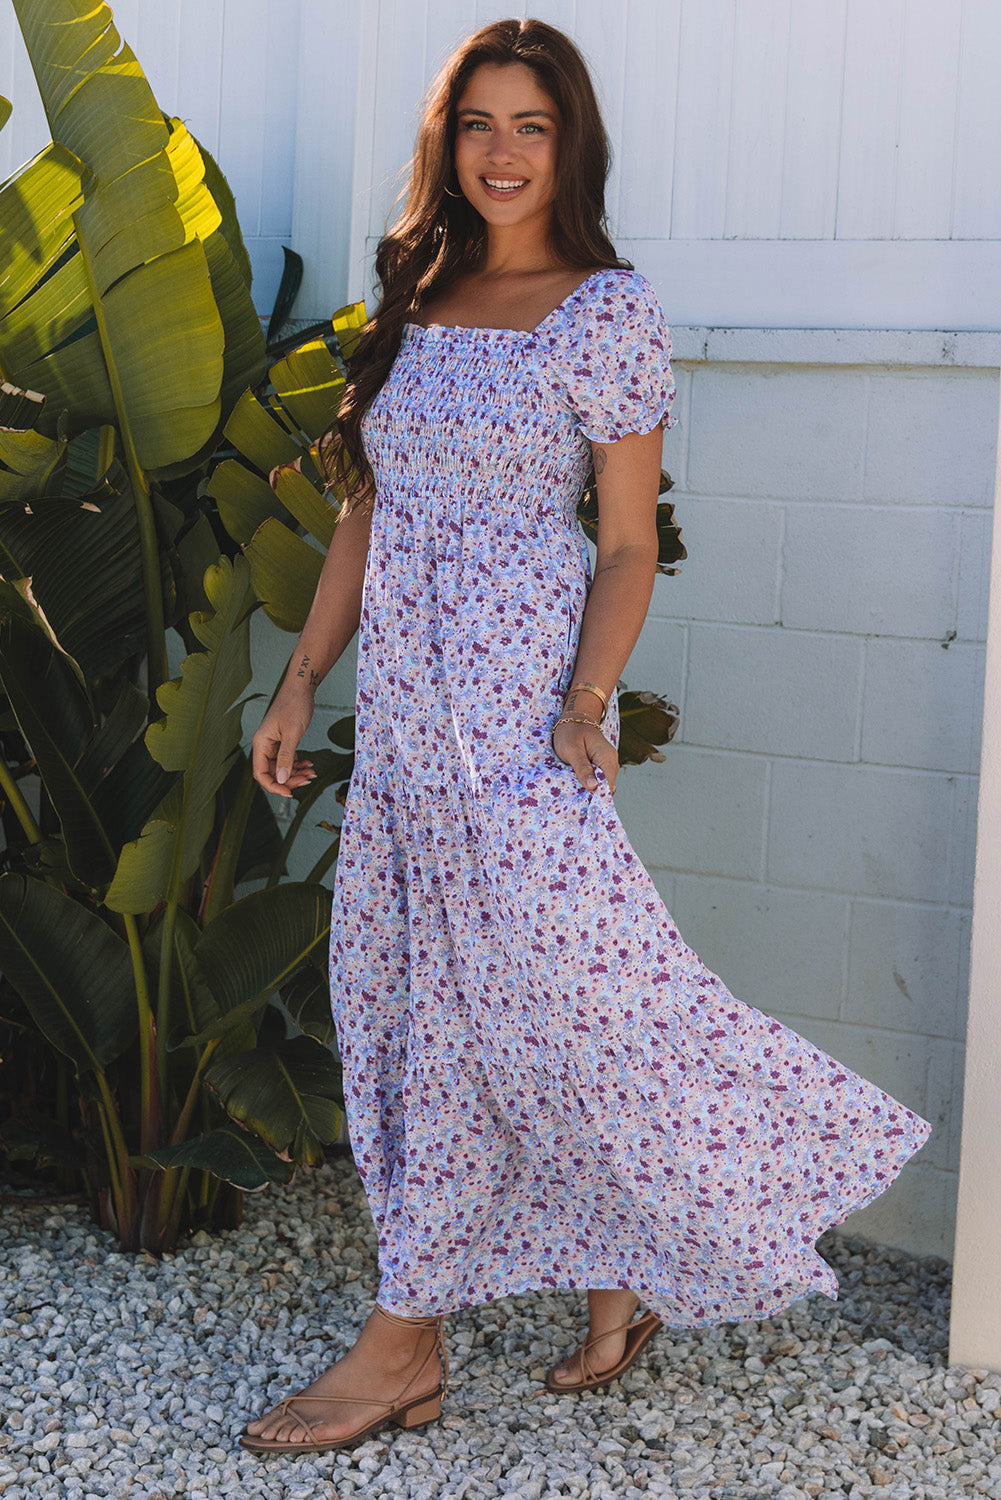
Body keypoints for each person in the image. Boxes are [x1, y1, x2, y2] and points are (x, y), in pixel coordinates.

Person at [242, 16, 933, 1457]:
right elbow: (368, 509)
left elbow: (624, 546)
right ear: (449, 144)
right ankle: (600, 1286)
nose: (500, 153)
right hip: (406, 732)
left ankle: (401, 1346)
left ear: (571, 146)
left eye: (531, 127)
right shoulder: (416, 289)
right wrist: (304, 678)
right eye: (477, 124)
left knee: (588, 1000)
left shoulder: (604, 310)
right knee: (423, 1003)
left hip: (512, 729)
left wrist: (579, 703)